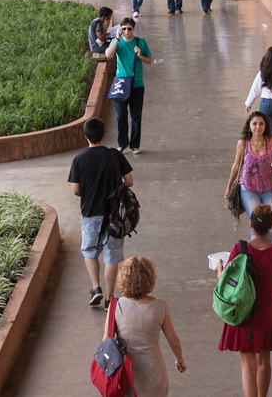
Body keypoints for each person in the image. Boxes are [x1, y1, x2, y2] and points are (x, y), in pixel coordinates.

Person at [216, 204, 272, 397]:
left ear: (250, 224)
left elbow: (225, 280)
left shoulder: (240, 249)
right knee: (264, 360)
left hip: (244, 310)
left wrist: (219, 270)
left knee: (248, 365)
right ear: (270, 227)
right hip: (267, 311)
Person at [68, 117, 134, 307]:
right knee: (111, 256)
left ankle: (96, 288)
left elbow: (75, 190)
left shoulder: (79, 159)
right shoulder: (114, 155)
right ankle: (109, 298)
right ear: (103, 134)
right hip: (114, 214)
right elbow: (129, 181)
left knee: (89, 251)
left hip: (90, 213)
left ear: (85, 136)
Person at [110, 256, 187, 396]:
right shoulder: (160, 307)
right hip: (154, 370)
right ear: (150, 278)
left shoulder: (116, 306)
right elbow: (174, 341)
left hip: (125, 371)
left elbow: (106, 341)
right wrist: (180, 360)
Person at [224, 112, 272, 240]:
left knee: (271, 228)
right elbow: (236, 166)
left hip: (268, 189)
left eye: (261, 124)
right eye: (254, 124)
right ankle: (255, 255)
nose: (258, 127)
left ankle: (263, 251)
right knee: (257, 225)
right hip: (248, 190)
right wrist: (228, 187)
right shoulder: (243, 143)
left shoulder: (271, 141)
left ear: (266, 126)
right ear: (249, 126)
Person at [104, 17, 152, 154]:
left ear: (133, 29)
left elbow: (149, 60)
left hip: (136, 85)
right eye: (124, 29)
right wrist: (117, 39)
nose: (126, 31)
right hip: (121, 84)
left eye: (129, 29)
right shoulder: (116, 42)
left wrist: (140, 55)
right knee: (120, 116)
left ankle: (134, 145)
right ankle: (122, 143)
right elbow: (108, 55)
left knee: (136, 116)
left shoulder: (140, 43)